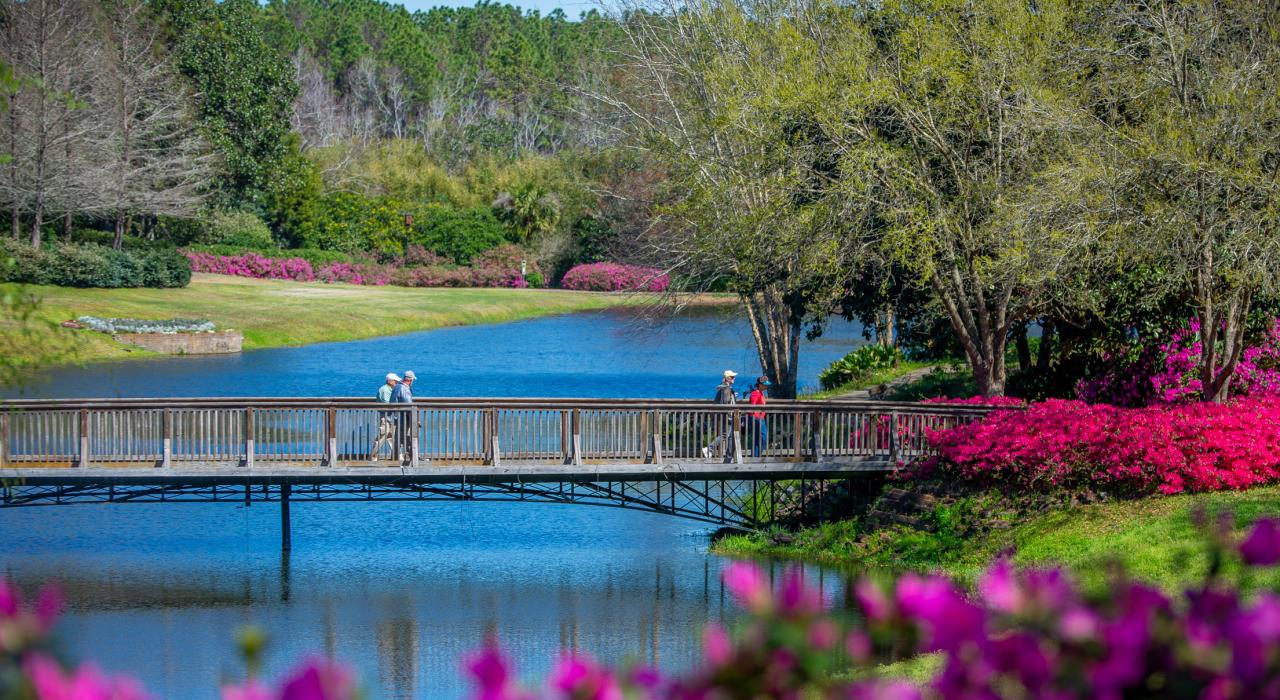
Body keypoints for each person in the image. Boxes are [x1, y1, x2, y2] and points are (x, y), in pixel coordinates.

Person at [702, 370, 738, 459]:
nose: (734, 378)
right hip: (728, 415)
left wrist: (733, 395)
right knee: (725, 434)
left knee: (730, 435)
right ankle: (709, 448)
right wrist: (731, 397)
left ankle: (729, 455)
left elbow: (723, 399)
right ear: (728, 378)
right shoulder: (726, 388)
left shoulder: (724, 388)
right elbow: (726, 402)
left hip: (726, 415)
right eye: (733, 377)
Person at [371, 373, 399, 459]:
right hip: (386, 416)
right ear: (390, 381)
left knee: (391, 436)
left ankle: (396, 455)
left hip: (391, 416)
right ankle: (373, 456)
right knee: (382, 435)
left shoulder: (390, 389)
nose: (397, 382)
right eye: (395, 381)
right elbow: (387, 403)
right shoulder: (384, 390)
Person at [391, 370, 416, 463]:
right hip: (403, 417)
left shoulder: (397, 386)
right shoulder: (404, 389)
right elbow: (409, 405)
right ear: (410, 380)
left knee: (399, 437)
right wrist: (414, 419)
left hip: (397, 415)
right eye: (413, 380)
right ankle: (411, 457)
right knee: (407, 436)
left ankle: (396, 456)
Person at [749, 376, 769, 457]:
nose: (766, 386)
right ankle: (758, 454)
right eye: (765, 385)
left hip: (760, 417)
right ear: (760, 385)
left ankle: (756, 456)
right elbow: (752, 405)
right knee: (763, 436)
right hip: (757, 417)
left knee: (758, 438)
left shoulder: (760, 393)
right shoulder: (755, 393)